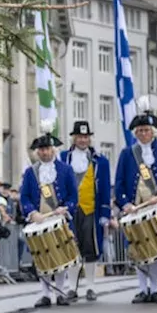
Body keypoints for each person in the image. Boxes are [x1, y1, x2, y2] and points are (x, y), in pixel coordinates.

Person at [114, 100, 157, 304]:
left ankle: (155, 288)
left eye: (146, 130)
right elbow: (120, 182)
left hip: (156, 207)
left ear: (153, 132)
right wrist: (125, 204)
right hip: (134, 209)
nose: (143, 134)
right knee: (139, 249)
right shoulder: (127, 153)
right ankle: (142, 289)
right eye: (139, 130)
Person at [21, 133, 79, 307]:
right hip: (39, 221)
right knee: (42, 257)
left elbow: (73, 196)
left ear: (53, 150)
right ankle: (45, 294)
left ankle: (60, 292)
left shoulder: (66, 170)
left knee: (60, 257)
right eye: (41, 149)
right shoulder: (30, 172)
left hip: (58, 219)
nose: (44, 152)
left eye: (47, 149)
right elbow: (24, 198)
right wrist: (32, 213)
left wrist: (65, 208)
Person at [59, 121, 110, 301]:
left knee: (90, 248)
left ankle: (90, 287)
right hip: (70, 211)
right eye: (80, 137)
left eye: (85, 137)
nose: (82, 140)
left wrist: (105, 214)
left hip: (91, 210)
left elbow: (104, 189)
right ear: (74, 137)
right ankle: (72, 287)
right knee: (72, 249)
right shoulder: (63, 158)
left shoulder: (100, 161)